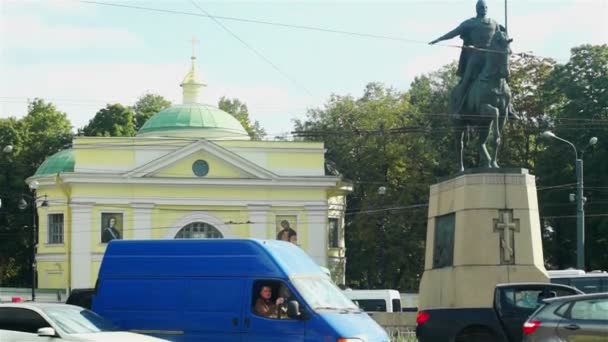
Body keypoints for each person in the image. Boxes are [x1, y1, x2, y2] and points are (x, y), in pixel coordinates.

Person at [429, 0, 506, 116]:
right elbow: (454, 32)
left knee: (503, 76)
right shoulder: (470, 23)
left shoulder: (494, 23)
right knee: (466, 81)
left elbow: (502, 38)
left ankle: (509, 108)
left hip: (491, 58)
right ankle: (458, 109)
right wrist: (439, 39)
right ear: (476, 9)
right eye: (481, 7)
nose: (483, 9)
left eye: (485, 7)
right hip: (476, 56)